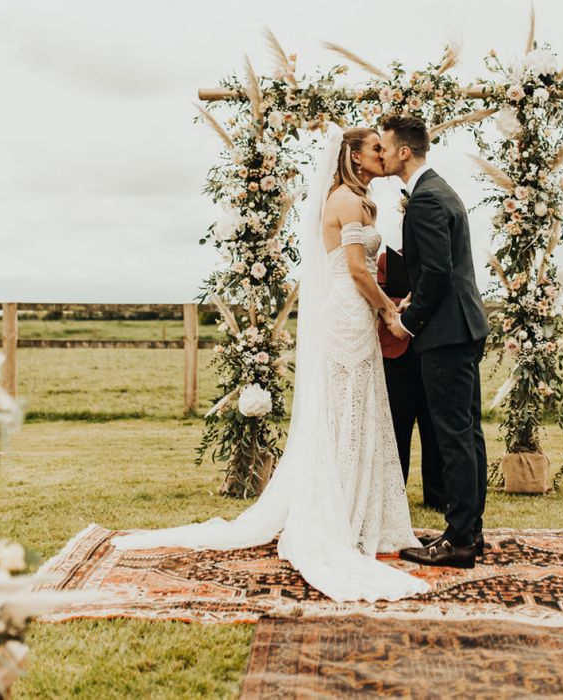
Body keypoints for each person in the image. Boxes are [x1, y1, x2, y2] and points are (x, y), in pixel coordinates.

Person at [113, 125, 428, 602]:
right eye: (375, 148)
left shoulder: (367, 202)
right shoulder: (343, 200)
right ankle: (341, 512)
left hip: (358, 312)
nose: (382, 154)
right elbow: (358, 271)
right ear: (355, 157)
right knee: (345, 406)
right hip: (347, 311)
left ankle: (364, 512)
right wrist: (387, 307)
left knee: (362, 407)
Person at [380, 114, 490, 570]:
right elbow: (436, 271)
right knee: (467, 433)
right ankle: (471, 531)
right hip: (462, 328)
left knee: (452, 437)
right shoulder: (441, 190)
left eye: (385, 148)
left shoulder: (425, 200)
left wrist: (409, 322)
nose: (382, 155)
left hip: (444, 333)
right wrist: (413, 298)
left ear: (404, 151)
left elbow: (439, 274)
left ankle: (459, 539)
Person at [376, 250, 446, 511]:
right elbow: (378, 301)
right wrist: (407, 306)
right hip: (396, 352)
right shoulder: (386, 261)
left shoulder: (438, 259)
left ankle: (437, 496)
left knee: (433, 426)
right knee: (396, 428)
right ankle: (395, 495)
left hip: (431, 351)